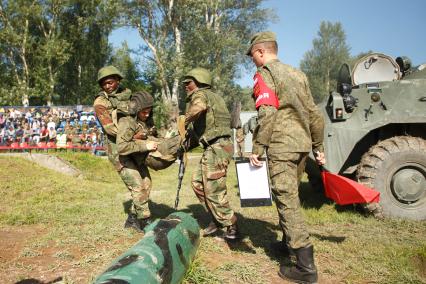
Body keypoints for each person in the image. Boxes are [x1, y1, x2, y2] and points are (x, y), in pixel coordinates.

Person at [246, 31, 326, 283]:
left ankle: (305, 267)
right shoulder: (297, 74)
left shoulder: (265, 74)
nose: (253, 61)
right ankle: (287, 243)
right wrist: (318, 146)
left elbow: (267, 113)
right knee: (291, 196)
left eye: (252, 56)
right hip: (301, 146)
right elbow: (314, 113)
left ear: (260, 52)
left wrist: (258, 148)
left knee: (286, 199)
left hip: (282, 146)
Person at [182, 67, 238, 240]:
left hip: (218, 147)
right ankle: (216, 219)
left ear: (198, 82)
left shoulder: (200, 95)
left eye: (188, 82)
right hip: (214, 147)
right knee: (198, 183)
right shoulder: (215, 97)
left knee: (214, 189)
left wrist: (184, 120)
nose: (185, 85)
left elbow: (198, 108)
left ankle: (231, 227)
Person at [116, 91, 159, 231]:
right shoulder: (126, 122)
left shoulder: (145, 122)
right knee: (138, 186)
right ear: (136, 110)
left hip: (137, 158)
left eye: (149, 112)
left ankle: (132, 219)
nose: (147, 115)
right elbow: (122, 147)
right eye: (143, 112)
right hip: (123, 158)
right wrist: (145, 145)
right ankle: (145, 221)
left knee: (147, 184)